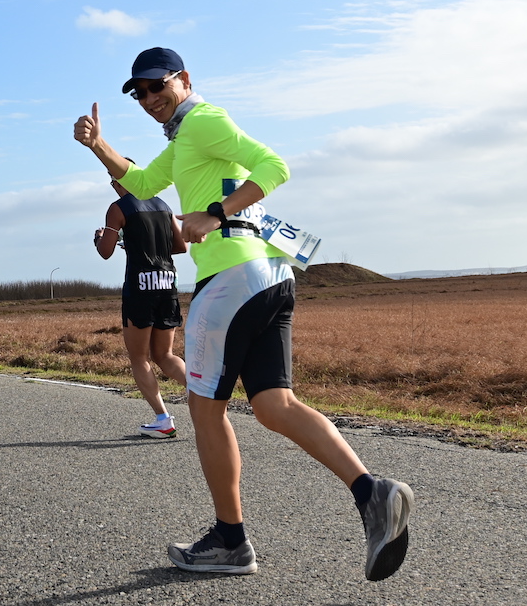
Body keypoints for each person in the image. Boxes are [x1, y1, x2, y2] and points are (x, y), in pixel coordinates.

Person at [74, 47, 414, 581]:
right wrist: (98, 146)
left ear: (183, 80)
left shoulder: (205, 121)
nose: (147, 98)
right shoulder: (186, 138)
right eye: (138, 92)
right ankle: (373, 494)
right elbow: (141, 184)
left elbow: (275, 166)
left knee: (205, 409)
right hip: (269, 277)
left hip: (231, 283)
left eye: (155, 86)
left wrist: (213, 214)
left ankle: (230, 541)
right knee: (276, 406)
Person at [94, 174, 189, 437]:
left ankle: (163, 419)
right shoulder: (163, 205)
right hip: (168, 283)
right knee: (165, 355)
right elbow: (180, 247)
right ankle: (205, 397)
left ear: (118, 182)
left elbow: (105, 251)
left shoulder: (118, 208)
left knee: (139, 357)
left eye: (113, 182)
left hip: (140, 288)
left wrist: (101, 237)